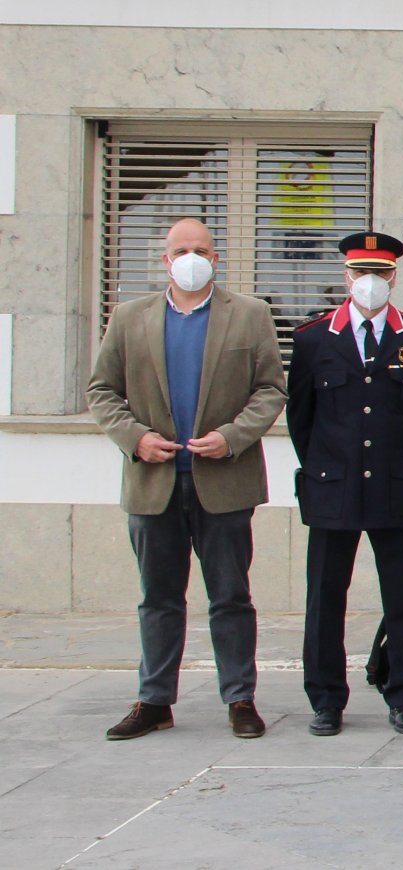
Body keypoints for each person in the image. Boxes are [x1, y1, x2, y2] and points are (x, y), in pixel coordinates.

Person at [86, 218, 286, 742]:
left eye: (200, 249)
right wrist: (135, 439)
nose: (191, 258)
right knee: (158, 598)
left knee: (231, 597)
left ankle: (240, 697)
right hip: (154, 484)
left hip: (224, 482)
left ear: (216, 258)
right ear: (165, 260)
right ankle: (154, 700)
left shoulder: (250, 315)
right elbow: (102, 391)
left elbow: (270, 390)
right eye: (181, 250)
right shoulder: (129, 318)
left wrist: (232, 435)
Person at [288, 231, 403, 736]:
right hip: (332, 486)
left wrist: (399, 461)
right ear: (347, 277)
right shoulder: (314, 338)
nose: (370, 283)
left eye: (380, 274)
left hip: (396, 484)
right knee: (325, 599)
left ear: (394, 277)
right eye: (361, 273)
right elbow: (302, 419)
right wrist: (326, 467)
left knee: (402, 598)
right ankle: (327, 700)